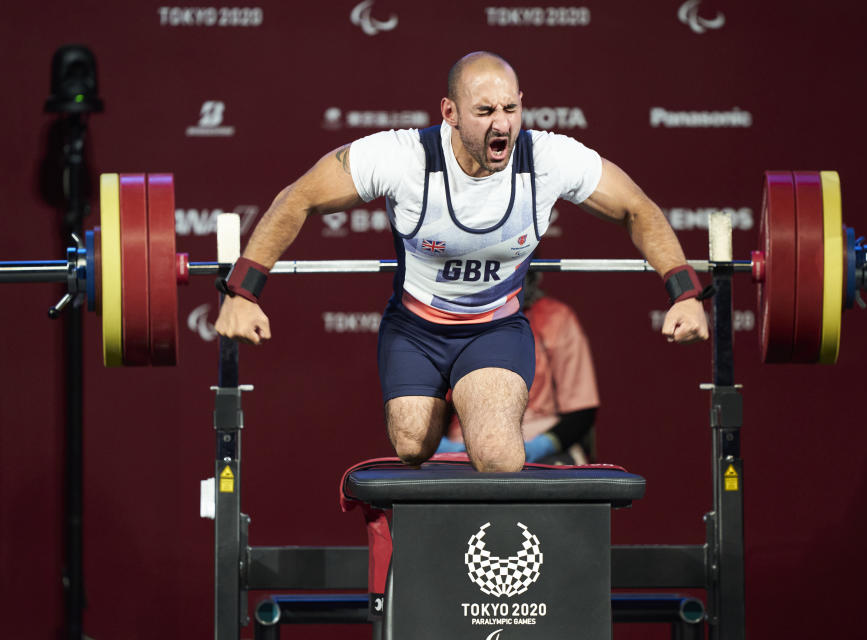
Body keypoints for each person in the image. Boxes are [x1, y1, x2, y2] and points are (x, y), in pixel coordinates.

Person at [214, 51, 710, 473]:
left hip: (493, 329)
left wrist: (684, 292)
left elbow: (637, 207)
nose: (502, 123)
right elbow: (298, 198)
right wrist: (242, 291)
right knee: (412, 444)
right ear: (450, 112)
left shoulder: (549, 160)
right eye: (485, 110)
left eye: (511, 109)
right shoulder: (403, 159)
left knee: (498, 457)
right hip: (415, 329)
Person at [438, 269, 599, 465]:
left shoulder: (556, 317)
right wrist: (443, 446)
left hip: (537, 447)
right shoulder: (447, 320)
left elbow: (581, 410)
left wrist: (542, 445)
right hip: (461, 450)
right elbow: (431, 403)